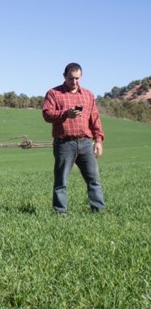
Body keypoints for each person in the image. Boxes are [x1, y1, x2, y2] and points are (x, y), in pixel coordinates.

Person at [42, 63, 106, 216]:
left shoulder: (88, 95)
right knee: (61, 182)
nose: (75, 82)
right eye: (71, 78)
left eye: (77, 78)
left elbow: (95, 118)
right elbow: (46, 114)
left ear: (81, 77)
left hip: (85, 143)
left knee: (94, 180)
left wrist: (98, 140)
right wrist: (65, 114)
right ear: (64, 76)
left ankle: (99, 211)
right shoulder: (54, 93)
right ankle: (60, 213)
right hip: (64, 144)